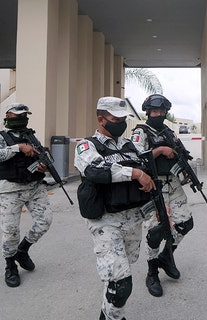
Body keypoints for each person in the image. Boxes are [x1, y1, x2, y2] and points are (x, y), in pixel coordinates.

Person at [74, 96, 156, 320]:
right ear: (101, 119)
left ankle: (106, 314)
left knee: (117, 277)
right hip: (105, 222)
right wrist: (135, 172)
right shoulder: (87, 145)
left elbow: (148, 179)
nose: (120, 123)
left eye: (123, 119)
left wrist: (158, 208)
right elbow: (96, 169)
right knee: (121, 284)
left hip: (133, 219)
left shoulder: (131, 146)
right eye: (115, 119)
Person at [130, 94, 194, 297]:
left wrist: (187, 173)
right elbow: (134, 157)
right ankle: (152, 273)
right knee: (155, 231)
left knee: (185, 223)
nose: (158, 114)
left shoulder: (168, 131)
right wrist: (159, 150)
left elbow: (179, 154)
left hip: (173, 183)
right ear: (147, 112)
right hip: (153, 185)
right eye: (154, 111)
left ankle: (167, 255)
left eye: (161, 111)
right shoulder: (140, 132)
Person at [0, 103, 53, 288]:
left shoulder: (30, 135)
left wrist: (43, 166)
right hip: (11, 190)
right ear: (8, 116)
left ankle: (22, 250)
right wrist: (18, 148)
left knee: (45, 221)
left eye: (25, 115)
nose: (23, 118)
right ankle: (10, 266)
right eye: (18, 115)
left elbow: (40, 156)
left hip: (34, 187)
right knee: (10, 231)